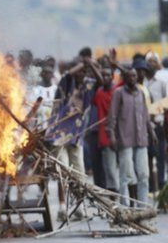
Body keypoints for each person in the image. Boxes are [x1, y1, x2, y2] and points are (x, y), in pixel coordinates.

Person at [47, 56, 103, 220]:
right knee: (63, 172)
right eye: (80, 71)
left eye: (84, 72)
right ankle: (62, 208)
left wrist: (91, 65)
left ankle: (79, 207)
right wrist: (81, 64)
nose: (82, 74)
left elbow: (100, 81)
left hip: (76, 137)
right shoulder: (66, 82)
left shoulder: (88, 85)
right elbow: (68, 74)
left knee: (79, 175)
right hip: (59, 136)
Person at [107, 58, 155, 206]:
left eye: (134, 76)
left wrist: (151, 132)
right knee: (126, 175)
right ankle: (125, 206)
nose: (133, 78)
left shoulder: (140, 93)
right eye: (130, 76)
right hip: (125, 139)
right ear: (124, 78)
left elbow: (145, 115)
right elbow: (112, 116)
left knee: (143, 174)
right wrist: (112, 136)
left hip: (141, 139)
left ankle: (143, 207)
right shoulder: (118, 93)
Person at [144, 53, 168, 191]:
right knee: (146, 157)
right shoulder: (141, 82)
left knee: (159, 157)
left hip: (158, 125)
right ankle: (150, 188)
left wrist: (153, 111)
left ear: (158, 64)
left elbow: (166, 101)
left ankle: (161, 185)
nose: (151, 64)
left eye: (154, 61)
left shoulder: (162, 82)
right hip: (144, 127)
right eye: (149, 61)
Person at [93, 67, 119, 193]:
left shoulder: (118, 91)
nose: (105, 78)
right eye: (103, 75)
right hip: (105, 138)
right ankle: (114, 198)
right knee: (110, 170)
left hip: (121, 135)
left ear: (113, 76)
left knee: (125, 171)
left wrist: (116, 64)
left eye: (108, 75)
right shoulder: (98, 93)